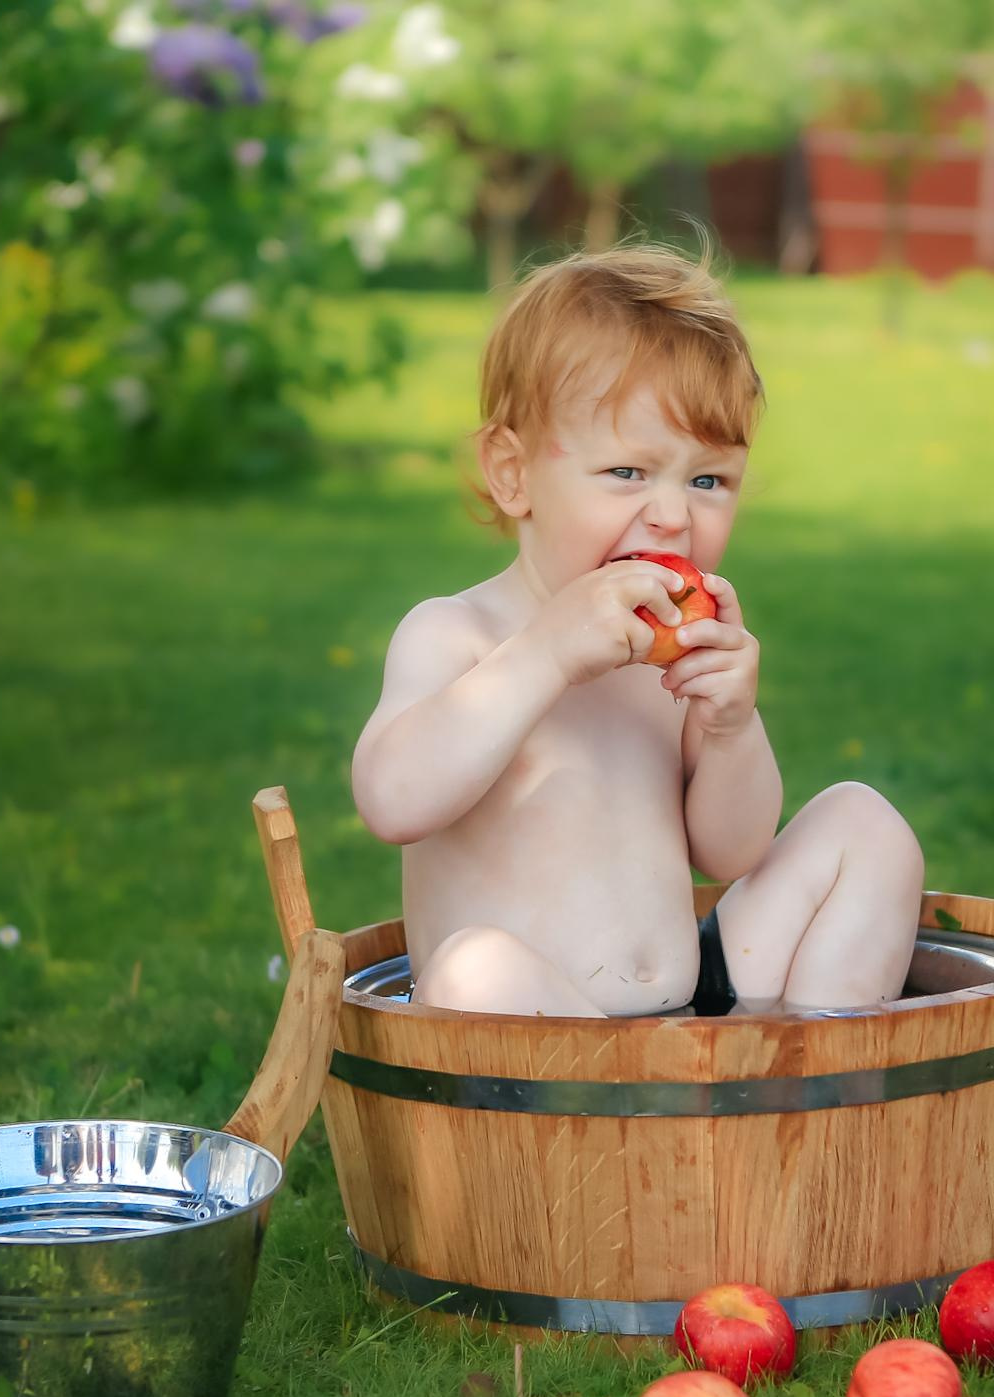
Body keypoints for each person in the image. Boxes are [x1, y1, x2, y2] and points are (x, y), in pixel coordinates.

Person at [349, 244, 923, 1018]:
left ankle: (809, 1081)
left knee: (867, 825)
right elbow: (393, 800)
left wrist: (729, 727)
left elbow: (731, 854)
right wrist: (546, 654)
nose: (672, 515)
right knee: (474, 970)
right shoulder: (463, 636)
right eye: (628, 472)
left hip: (693, 1012)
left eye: (707, 480)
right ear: (513, 474)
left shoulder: (673, 658)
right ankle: (638, 1126)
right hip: (537, 1030)